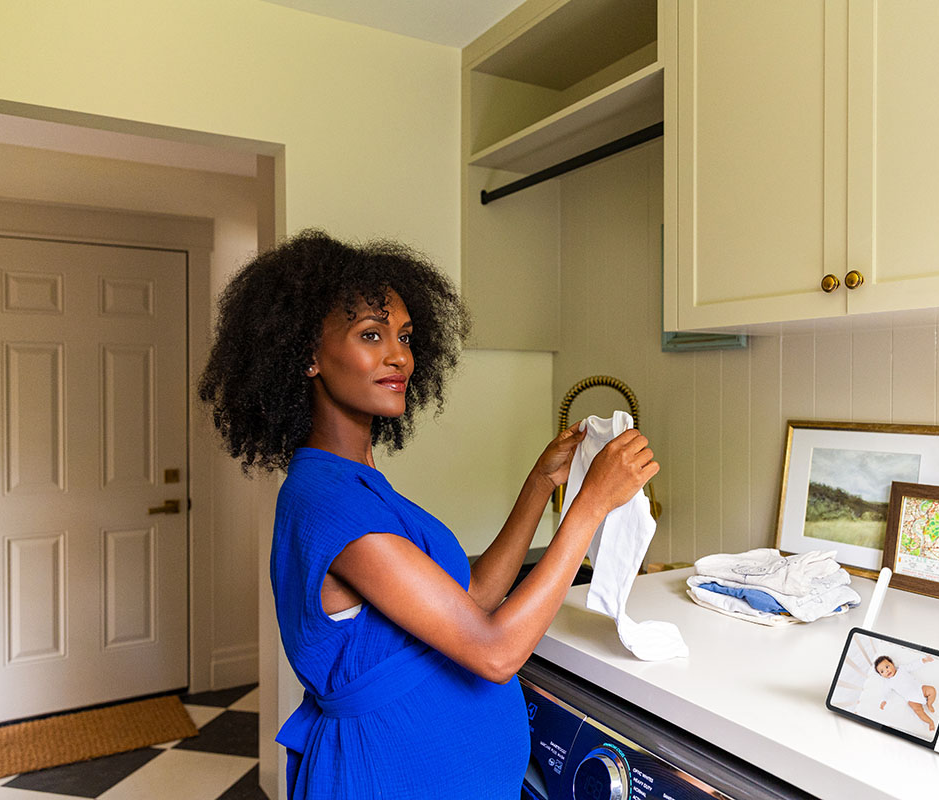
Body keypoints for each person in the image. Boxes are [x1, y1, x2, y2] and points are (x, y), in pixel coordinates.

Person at [198, 229, 658, 799]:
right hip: (383, 777)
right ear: (308, 356)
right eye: (371, 334)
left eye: (406, 336)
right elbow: (493, 651)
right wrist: (590, 508)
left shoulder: (355, 483)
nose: (400, 356)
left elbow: (474, 599)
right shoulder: (331, 503)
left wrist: (541, 483)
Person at [875, 654, 938, 732]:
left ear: (893, 664)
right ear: (881, 675)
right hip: (911, 699)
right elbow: (886, 692)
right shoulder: (888, 683)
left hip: (920, 689)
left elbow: (913, 666)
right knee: (918, 711)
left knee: (932, 690)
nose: (886, 671)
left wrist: (924, 660)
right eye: (882, 671)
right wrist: (884, 700)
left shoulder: (902, 669)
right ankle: (930, 722)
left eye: (887, 667)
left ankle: (929, 704)